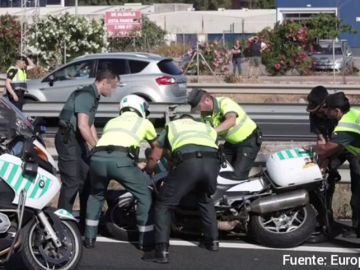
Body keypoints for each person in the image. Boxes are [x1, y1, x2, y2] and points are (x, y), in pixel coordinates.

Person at [144, 114, 221, 263]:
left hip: (189, 162)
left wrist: (149, 169)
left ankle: (161, 252)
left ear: (178, 120)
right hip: (212, 163)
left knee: (164, 204)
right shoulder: (206, 127)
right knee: (204, 198)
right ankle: (213, 242)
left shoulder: (173, 126)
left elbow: (156, 156)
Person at [84, 95, 157, 249]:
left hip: (97, 159)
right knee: (144, 195)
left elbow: (115, 143)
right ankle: (146, 240)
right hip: (121, 162)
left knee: (96, 196)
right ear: (141, 108)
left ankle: (89, 238)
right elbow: (157, 147)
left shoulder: (112, 122)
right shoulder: (144, 122)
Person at [55, 68, 119, 232]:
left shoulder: (94, 96)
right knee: (72, 182)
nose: (114, 90)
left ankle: (84, 224)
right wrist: (96, 146)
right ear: (104, 82)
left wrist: (98, 147)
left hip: (76, 141)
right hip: (67, 140)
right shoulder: (86, 95)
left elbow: (89, 125)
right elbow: (82, 126)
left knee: (87, 179)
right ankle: (61, 225)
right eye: (113, 86)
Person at [313, 92, 360, 237]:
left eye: (328, 109)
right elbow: (339, 147)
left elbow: (328, 148)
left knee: (358, 196)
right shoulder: (351, 113)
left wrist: (309, 149)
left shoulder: (346, 126)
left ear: (337, 111)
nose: (325, 112)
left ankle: (358, 230)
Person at [188, 88, 261, 180]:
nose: (199, 111)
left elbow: (231, 120)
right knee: (219, 169)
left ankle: (240, 191)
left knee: (237, 176)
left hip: (249, 141)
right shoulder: (205, 116)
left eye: (199, 107)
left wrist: (214, 131)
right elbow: (210, 137)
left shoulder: (224, 102)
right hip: (232, 143)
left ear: (207, 100)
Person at [306, 86, 343, 220]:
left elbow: (339, 144)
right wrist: (320, 161)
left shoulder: (336, 113)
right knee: (321, 180)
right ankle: (324, 217)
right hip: (330, 146)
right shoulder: (314, 115)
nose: (317, 115)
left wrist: (327, 159)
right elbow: (321, 140)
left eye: (319, 111)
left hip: (344, 147)